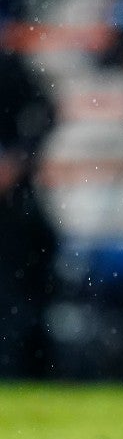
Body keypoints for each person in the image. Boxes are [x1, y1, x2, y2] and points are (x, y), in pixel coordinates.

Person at [0, 48, 59, 378]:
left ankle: (19, 370)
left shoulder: (8, 64)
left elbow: (45, 113)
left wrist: (17, 160)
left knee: (18, 295)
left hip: (12, 206)